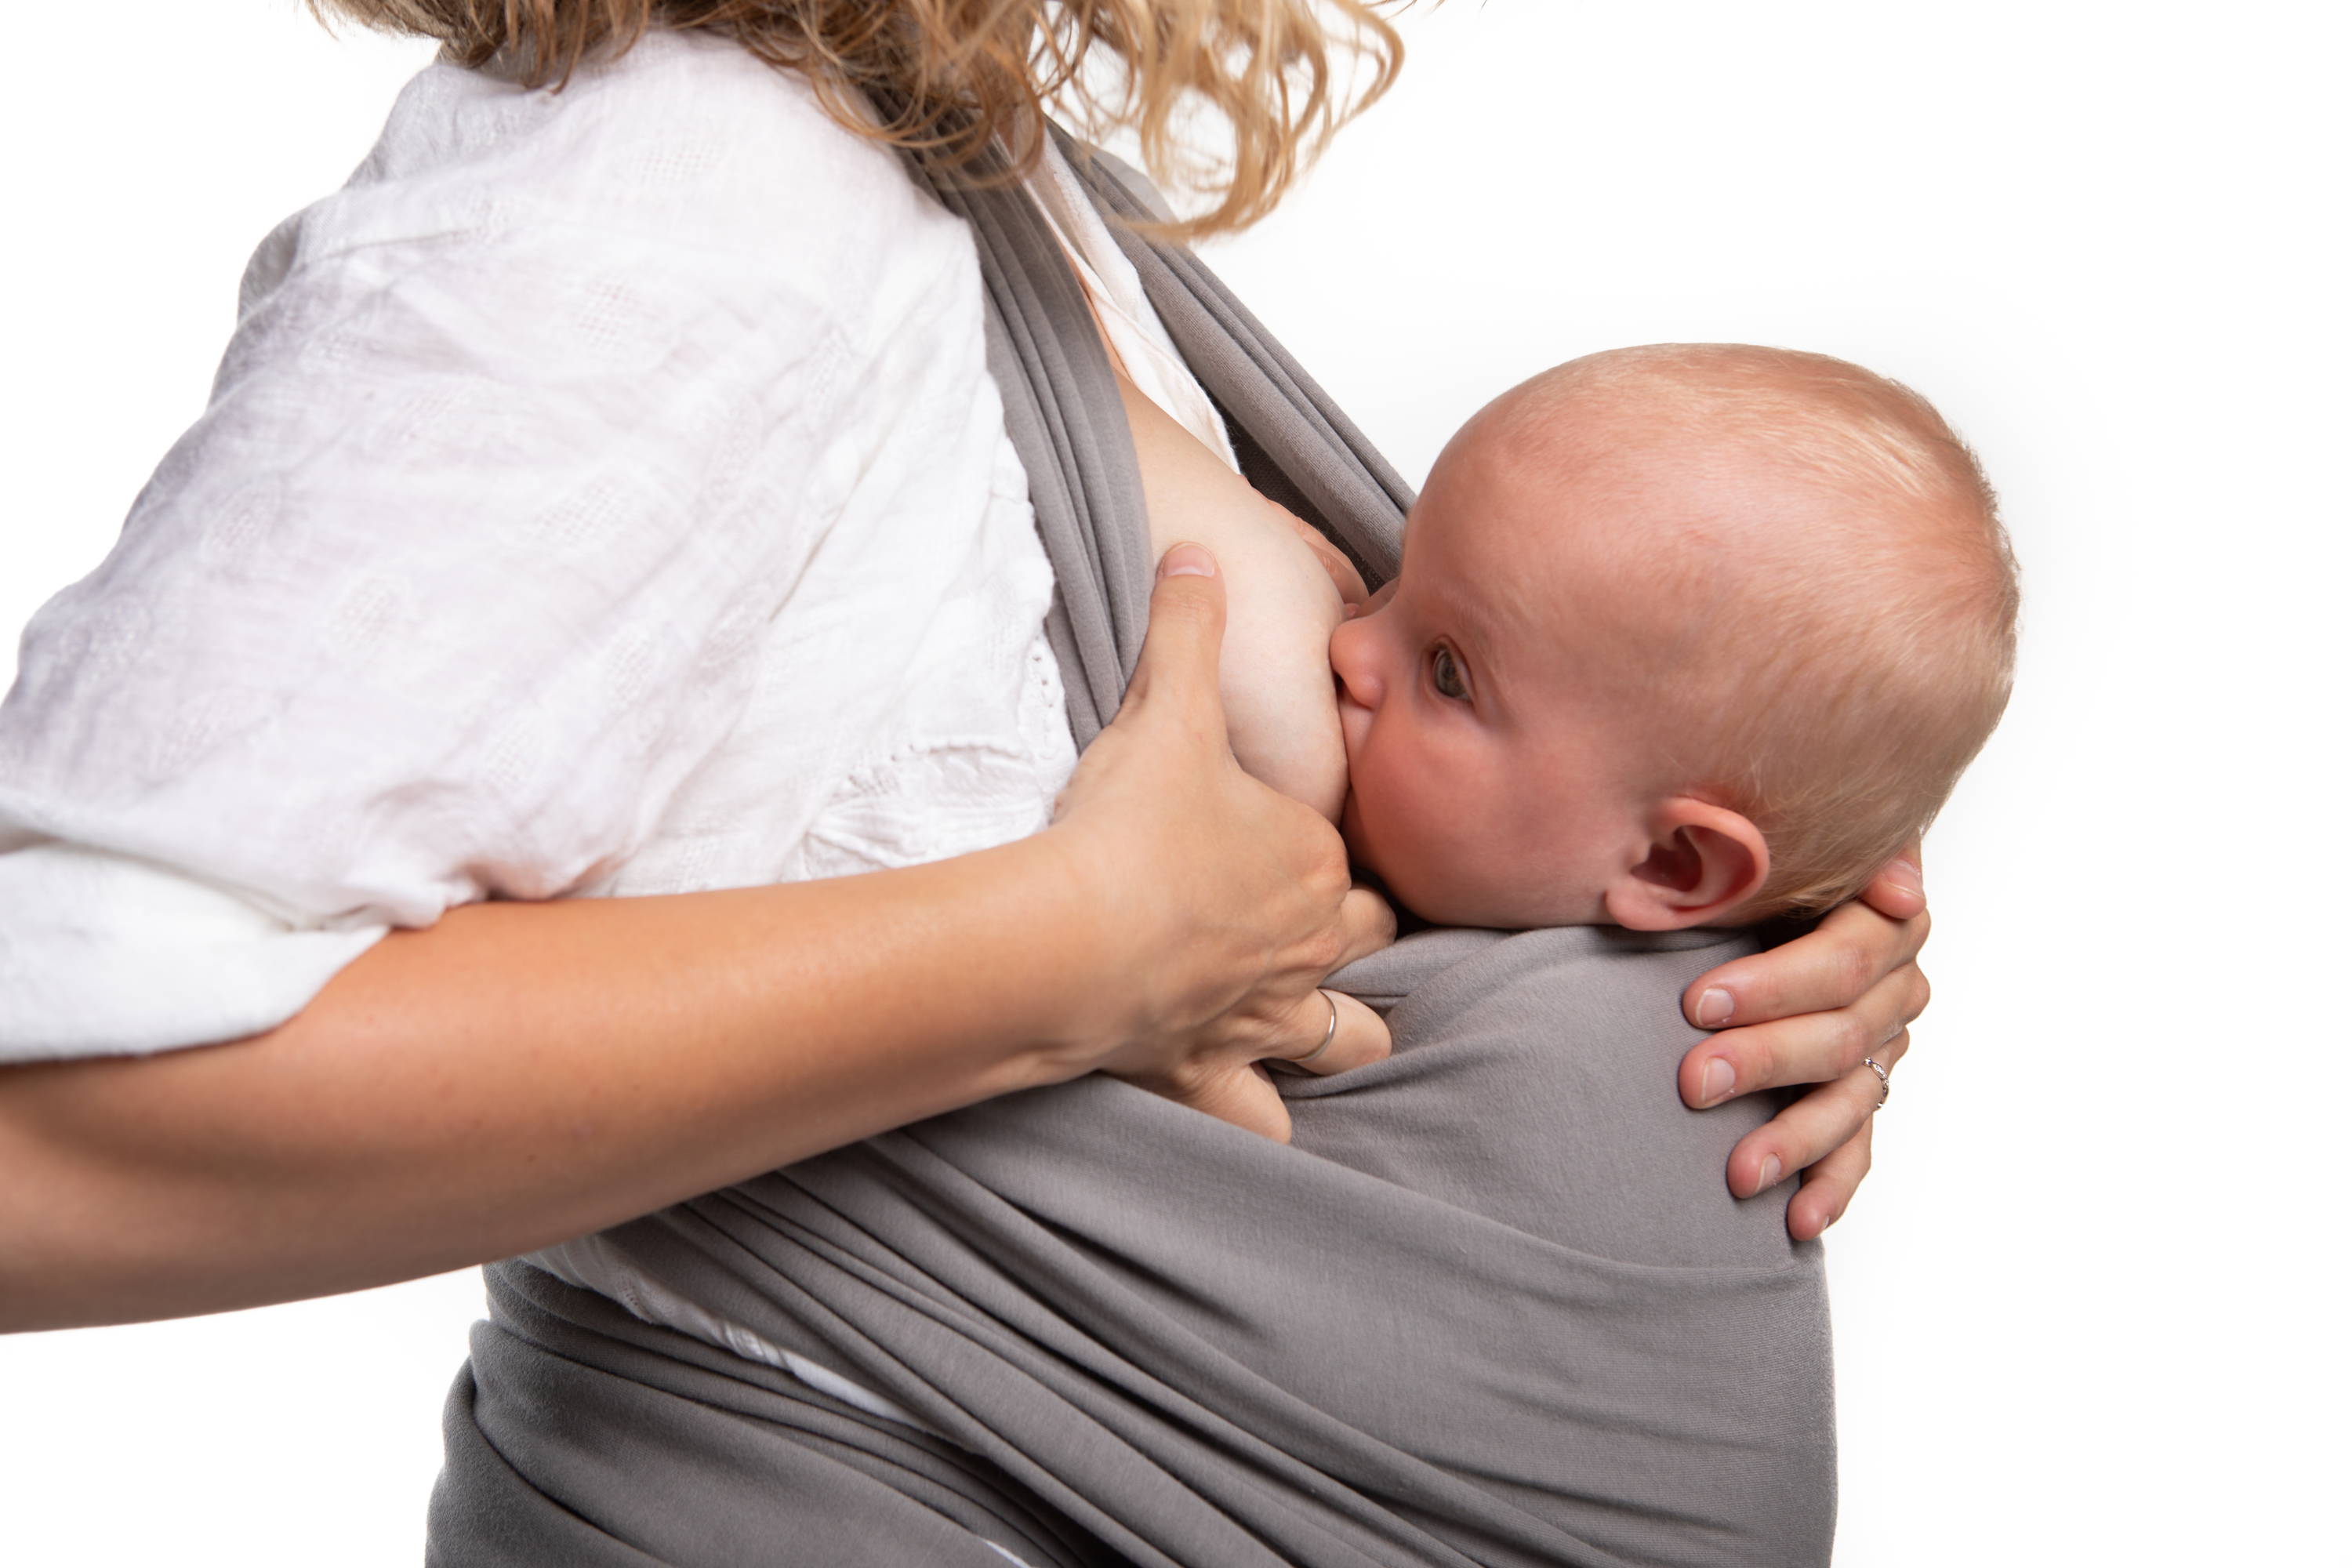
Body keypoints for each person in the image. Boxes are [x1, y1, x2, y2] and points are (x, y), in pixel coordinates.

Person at [0, 0, 1928, 1537]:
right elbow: (50, 1128)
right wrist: (1068, 947)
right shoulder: (670, 200)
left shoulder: (946, 126)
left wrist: (1752, 919)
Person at [1129, 339, 2017, 931]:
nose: (1350, 646)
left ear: (1672, 864)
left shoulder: (1546, 1071)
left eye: (1446, 671)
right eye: (1399, 576)